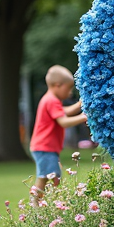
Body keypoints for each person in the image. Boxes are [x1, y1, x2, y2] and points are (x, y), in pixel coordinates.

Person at [29, 65, 87, 201]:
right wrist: (85, 117)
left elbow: (63, 111)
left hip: (44, 147)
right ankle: (43, 205)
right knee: (51, 178)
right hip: (45, 147)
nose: (70, 93)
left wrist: (79, 105)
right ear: (57, 85)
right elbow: (63, 121)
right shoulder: (51, 101)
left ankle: (44, 204)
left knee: (49, 177)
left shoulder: (50, 100)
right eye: (68, 89)